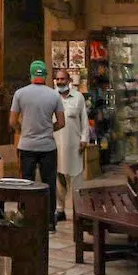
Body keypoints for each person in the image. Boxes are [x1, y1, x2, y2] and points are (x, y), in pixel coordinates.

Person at [9, 60, 65, 232]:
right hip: (48, 146)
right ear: (45, 76)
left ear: (31, 74)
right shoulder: (54, 95)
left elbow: (12, 121)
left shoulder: (20, 94)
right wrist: (48, 129)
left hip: (27, 145)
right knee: (49, 184)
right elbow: (61, 122)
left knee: (26, 183)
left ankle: (25, 218)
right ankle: (49, 221)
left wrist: (23, 130)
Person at [51, 68, 89, 223]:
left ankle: (79, 210)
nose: (60, 82)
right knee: (59, 178)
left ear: (69, 81)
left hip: (74, 144)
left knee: (76, 178)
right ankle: (60, 209)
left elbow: (84, 120)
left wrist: (84, 138)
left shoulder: (78, 97)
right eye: (58, 79)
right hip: (56, 143)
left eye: (63, 79)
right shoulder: (52, 97)